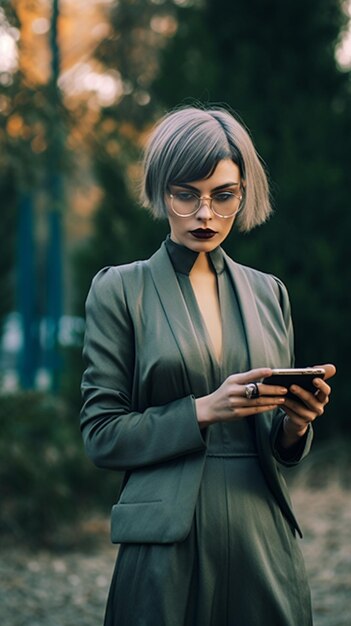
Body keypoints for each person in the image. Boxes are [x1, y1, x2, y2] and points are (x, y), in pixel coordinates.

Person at [80, 105, 335, 626]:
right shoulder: (120, 290)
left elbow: (282, 451)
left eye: (223, 196)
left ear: (243, 194)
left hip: (260, 533)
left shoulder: (270, 293)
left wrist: (296, 423)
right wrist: (203, 409)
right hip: (163, 540)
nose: (205, 214)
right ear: (160, 190)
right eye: (186, 194)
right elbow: (101, 435)